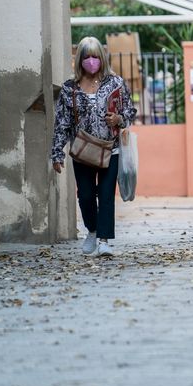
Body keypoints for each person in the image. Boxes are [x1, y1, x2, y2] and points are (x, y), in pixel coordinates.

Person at [51, 36, 137, 257]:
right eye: (86, 56)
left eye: (95, 56)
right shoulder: (70, 88)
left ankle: (104, 241)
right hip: (82, 151)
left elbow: (130, 112)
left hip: (111, 149)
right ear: (80, 59)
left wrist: (118, 119)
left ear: (102, 58)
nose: (91, 61)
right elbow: (62, 121)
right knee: (86, 196)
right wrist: (57, 152)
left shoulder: (115, 82)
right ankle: (92, 229)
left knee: (106, 195)